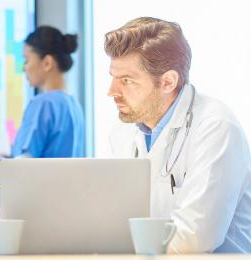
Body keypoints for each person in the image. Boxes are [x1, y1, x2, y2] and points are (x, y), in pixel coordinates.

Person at [105, 17, 251, 253]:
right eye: (112, 77)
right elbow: (116, 218)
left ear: (168, 82)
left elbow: (195, 237)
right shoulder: (123, 129)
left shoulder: (216, 126)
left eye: (127, 81)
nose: (111, 91)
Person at [0, 26, 85, 176]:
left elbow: (21, 166)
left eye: (26, 60)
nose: (23, 68)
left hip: (37, 197)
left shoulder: (43, 104)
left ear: (47, 63)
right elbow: (46, 156)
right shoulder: (73, 105)